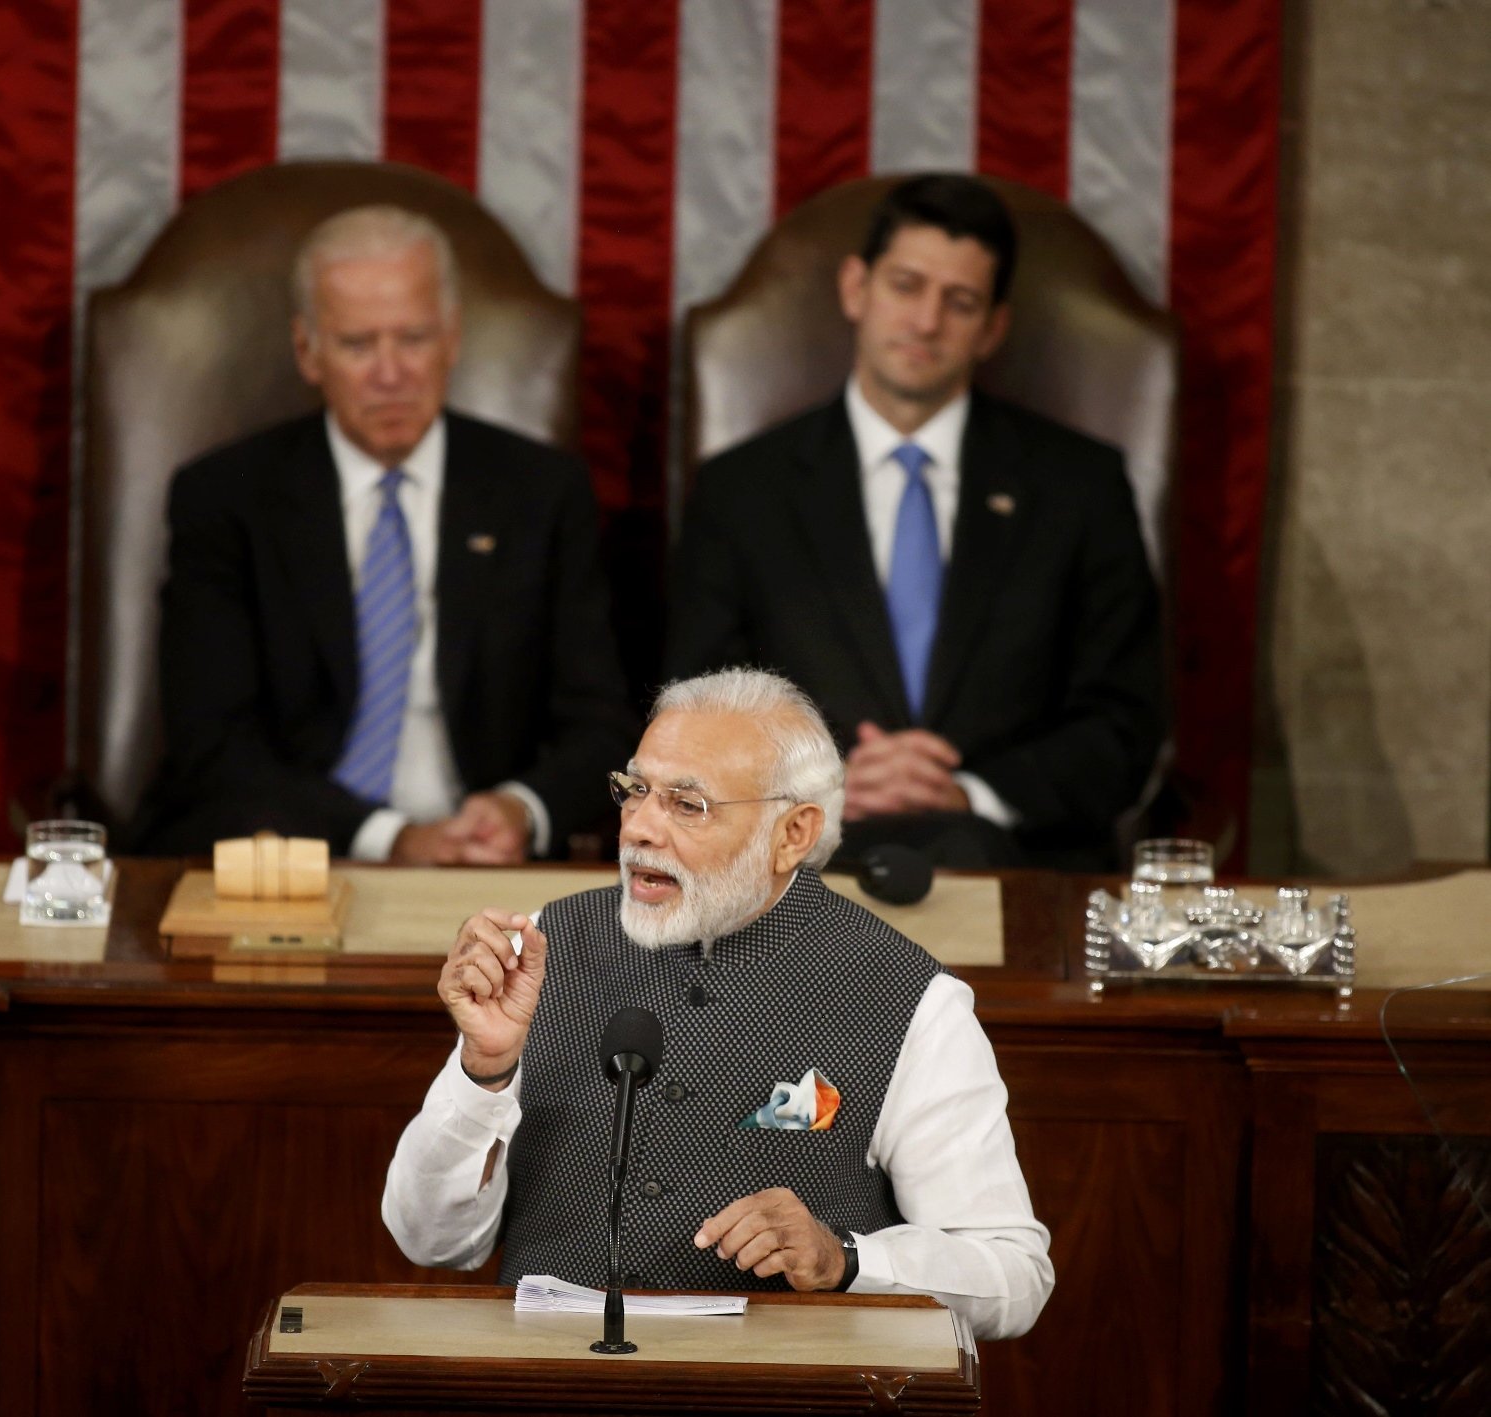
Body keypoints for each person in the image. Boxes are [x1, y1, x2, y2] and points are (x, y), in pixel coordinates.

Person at [381, 668, 1052, 1340]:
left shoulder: (907, 998)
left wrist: (845, 1257)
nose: (639, 828)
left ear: (793, 833)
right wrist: (484, 1069)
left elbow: (1014, 1277)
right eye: (635, 790)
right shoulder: (544, 948)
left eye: (687, 804)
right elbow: (431, 1242)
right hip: (551, 1385)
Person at [665, 174, 1163, 870]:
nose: (926, 321)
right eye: (906, 286)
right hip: (795, 881)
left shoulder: (1079, 486)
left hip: (1022, 872)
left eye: (959, 302)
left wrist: (969, 794)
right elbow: (696, 717)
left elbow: (1125, 725)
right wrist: (827, 783)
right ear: (855, 290)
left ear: (992, 328)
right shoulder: (742, 491)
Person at [132, 206, 634, 863]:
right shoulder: (226, 498)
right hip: (291, 852)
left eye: (414, 338)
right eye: (358, 344)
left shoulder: (541, 492)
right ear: (307, 351)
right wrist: (390, 837)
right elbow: (213, 744)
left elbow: (602, 724)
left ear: (453, 339)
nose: (390, 372)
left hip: (485, 863)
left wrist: (522, 807)